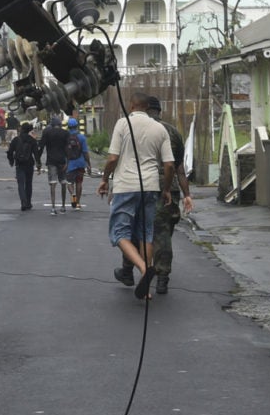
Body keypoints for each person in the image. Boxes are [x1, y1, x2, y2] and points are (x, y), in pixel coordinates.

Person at [97, 90, 173, 300]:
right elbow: (169, 165)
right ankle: (145, 284)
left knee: (119, 233)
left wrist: (104, 179)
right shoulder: (160, 128)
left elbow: (113, 158)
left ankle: (141, 266)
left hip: (126, 187)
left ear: (131, 106)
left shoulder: (123, 124)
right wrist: (166, 189)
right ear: (148, 108)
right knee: (146, 233)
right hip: (150, 187)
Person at [147, 98, 194, 295]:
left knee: (135, 230)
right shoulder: (173, 132)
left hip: (144, 186)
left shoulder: (139, 129)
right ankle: (162, 278)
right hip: (170, 189)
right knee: (163, 234)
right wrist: (187, 194)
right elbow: (179, 168)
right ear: (160, 110)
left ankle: (130, 269)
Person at [38, 115, 70, 215]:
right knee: (63, 182)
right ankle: (63, 206)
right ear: (60, 124)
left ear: (52, 125)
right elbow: (68, 148)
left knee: (53, 183)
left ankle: (53, 207)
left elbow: (41, 146)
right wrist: (67, 161)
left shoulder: (47, 132)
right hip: (62, 161)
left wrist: (38, 160)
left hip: (51, 160)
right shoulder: (65, 133)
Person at [6, 121, 40, 210]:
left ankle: (23, 202)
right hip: (29, 164)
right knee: (29, 184)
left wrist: (11, 161)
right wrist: (38, 164)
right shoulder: (32, 140)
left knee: (21, 184)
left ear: (22, 129)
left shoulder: (16, 139)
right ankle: (28, 202)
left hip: (19, 164)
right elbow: (36, 154)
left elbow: (10, 152)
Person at [64, 118, 89, 210]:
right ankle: (78, 202)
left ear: (68, 127)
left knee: (69, 182)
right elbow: (85, 152)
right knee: (79, 182)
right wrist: (88, 164)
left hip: (69, 163)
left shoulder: (65, 137)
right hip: (80, 163)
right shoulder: (82, 137)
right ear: (77, 126)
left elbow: (64, 151)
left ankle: (72, 194)